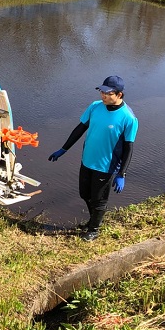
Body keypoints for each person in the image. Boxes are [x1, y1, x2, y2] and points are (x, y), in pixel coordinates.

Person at [47, 75, 138, 241]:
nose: (103, 96)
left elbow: (128, 148)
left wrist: (121, 174)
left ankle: (94, 229)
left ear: (119, 95)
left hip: (106, 166)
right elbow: (80, 128)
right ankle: (92, 221)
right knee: (84, 194)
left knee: (99, 199)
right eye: (102, 92)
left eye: (108, 94)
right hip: (87, 160)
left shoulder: (128, 118)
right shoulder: (95, 107)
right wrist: (63, 149)